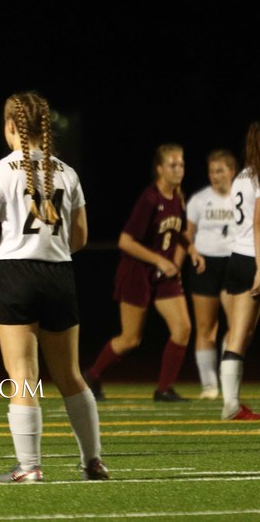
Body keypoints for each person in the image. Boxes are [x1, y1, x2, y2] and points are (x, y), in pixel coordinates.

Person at [0, 91, 107, 483]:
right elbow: (79, 239)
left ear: (10, 126)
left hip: (15, 275)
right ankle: (93, 461)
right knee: (71, 375)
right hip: (59, 275)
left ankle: (29, 467)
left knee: (24, 376)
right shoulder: (67, 173)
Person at [84, 144, 193, 403]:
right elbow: (125, 241)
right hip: (137, 272)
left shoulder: (178, 196)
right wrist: (159, 260)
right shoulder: (150, 198)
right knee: (131, 339)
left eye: (181, 164)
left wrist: (192, 252)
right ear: (159, 169)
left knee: (183, 329)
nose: (178, 170)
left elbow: (179, 233)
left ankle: (164, 389)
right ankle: (91, 376)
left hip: (163, 273)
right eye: (172, 165)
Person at [185, 150, 237, 399]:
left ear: (232, 171)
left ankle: (226, 377)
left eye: (220, 170)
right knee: (206, 327)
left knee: (237, 325)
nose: (215, 176)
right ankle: (209, 386)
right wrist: (193, 250)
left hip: (234, 264)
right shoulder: (199, 200)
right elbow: (187, 233)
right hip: (206, 265)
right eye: (212, 171)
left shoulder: (242, 197)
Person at [220, 122, 260, 420]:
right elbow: (258, 223)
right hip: (253, 259)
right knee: (238, 336)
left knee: (237, 335)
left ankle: (231, 402)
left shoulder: (242, 177)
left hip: (237, 256)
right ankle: (230, 405)